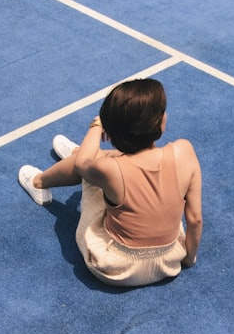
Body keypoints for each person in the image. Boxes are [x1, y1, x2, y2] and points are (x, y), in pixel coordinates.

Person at [18, 78, 202, 287]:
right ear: (159, 122)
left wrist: (98, 124)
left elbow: (82, 164)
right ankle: (79, 151)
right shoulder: (184, 152)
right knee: (102, 163)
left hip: (118, 268)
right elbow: (195, 219)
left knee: (91, 164)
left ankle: (38, 182)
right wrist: (187, 258)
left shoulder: (109, 170)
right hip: (168, 262)